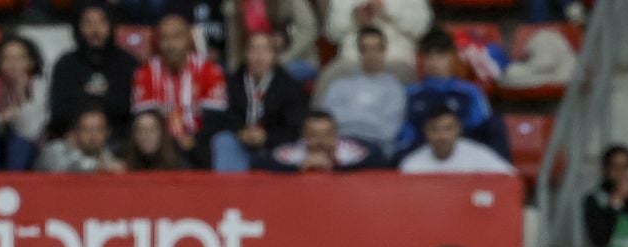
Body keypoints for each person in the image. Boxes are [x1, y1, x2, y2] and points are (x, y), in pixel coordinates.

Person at [398, 27, 507, 160]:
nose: (434, 62)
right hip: (423, 152)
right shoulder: (411, 93)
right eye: (429, 56)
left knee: (495, 124)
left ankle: (503, 176)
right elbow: (405, 134)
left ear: (451, 57)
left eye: (440, 56)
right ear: (422, 60)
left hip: (464, 152)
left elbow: (481, 126)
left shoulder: (470, 92)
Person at [130, 14, 223, 165]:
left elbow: (215, 118)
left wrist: (192, 139)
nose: (170, 44)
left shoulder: (209, 70)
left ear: (188, 39)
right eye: (164, 38)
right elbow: (144, 117)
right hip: (160, 146)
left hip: (201, 142)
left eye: (176, 37)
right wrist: (174, 138)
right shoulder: (145, 73)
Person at [206, 31, 306, 172]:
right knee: (223, 140)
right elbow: (221, 117)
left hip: (274, 146)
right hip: (240, 142)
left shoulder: (289, 87)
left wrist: (267, 137)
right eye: (253, 50)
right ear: (245, 54)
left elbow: (295, 127)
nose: (259, 57)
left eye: (265, 50)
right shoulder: (232, 83)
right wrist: (241, 132)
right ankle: (229, 190)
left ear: (275, 56)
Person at [47, 2, 138, 137]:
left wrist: (86, 100)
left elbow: (128, 107)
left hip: (118, 138)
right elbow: (60, 111)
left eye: (101, 22)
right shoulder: (65, 64)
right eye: (88, 23)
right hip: (74, 138)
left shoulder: (127, 62)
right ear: (78, 27)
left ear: (111, 25)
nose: (95, 30)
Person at [316, 24, 405, 155]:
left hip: (375, 147)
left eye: (376, 48)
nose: (371, 54)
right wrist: (370, 118)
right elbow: (326, 123)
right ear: (359, 52)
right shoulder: (339, 85)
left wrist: (350, 117)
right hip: (339, 145)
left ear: (384, 50)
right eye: (365, 49)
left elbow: (388, 132)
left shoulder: (395, 89)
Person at [0, 35, 47, 172]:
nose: (13, 64)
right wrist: (2, 118)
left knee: (20, 142)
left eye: (19, 59)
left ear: (30, 62)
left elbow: (32, 130)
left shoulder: (38, 85)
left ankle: (14, 183)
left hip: (26, 145)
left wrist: (21, 94)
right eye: (7, 58)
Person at [399, 106, 514, 173]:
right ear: (426, 133)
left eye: (448, 129)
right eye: (435, 130)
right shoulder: (412, 165)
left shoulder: (478, 154)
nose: (442, 136)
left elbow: (509, 177)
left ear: (458, 130)